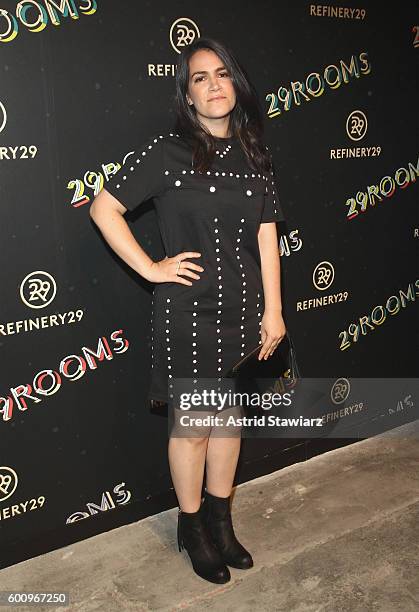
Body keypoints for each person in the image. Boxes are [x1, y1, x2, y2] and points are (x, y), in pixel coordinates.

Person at [89, 36, 286, 584]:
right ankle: (193, 526)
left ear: (237, 84)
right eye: (200, 77)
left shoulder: (254, 152)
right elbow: (105, 208)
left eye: (222, 73)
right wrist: (152, 268)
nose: (214, 85)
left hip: (244, 310)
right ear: (188, 95)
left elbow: (267, 239)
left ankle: (223, 523)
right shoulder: (168, 153)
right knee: (195, 426)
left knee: (229, 422)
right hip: (190, 312)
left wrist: (275, 311)